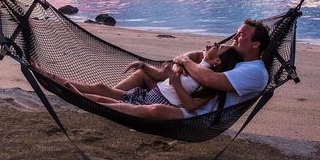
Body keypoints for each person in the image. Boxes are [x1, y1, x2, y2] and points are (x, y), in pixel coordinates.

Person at [31, 18, 270, 121]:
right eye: (236, 34)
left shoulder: (254, 72)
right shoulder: (234, 59)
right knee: (105, 89)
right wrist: (184, 61)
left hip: (192, 116)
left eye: (241, 36)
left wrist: (183, 65)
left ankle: (102, 103)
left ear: (256, 44)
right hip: (165, 95)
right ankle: (54, 78)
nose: (235, 38)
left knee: (139, 106)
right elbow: (196, 58)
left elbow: (206, 79)